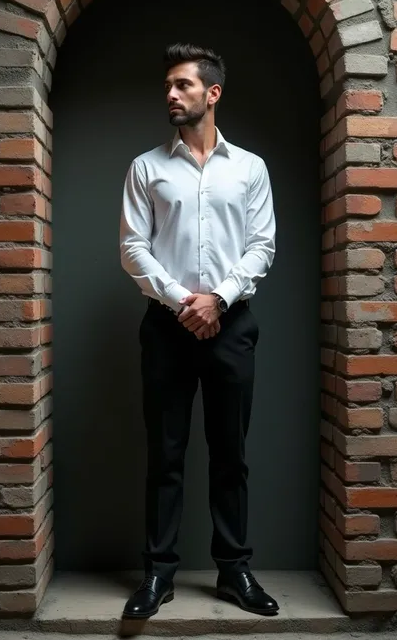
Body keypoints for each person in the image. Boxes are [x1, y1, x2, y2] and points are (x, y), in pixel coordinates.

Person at [119, 43, 277, 619]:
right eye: (168, 85)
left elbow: (262, 246)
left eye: (183, 85)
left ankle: (234, 572)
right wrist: (188, 300)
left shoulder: (251, 168)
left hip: (233, 326)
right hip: (167, 326)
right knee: (165, 455)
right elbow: (133, 248)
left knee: (230, 454)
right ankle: (158, 576)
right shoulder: (146, 167)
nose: (171, 94)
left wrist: (219, 299)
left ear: (212, 93)